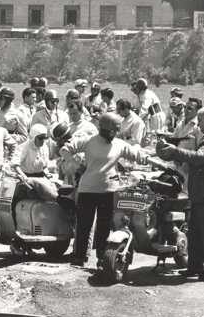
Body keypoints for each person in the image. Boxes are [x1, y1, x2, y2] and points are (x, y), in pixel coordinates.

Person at [58, 114, 148, 267]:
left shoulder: (119, 144)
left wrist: (148, 157)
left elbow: (136, 155)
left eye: (117, 131)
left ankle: (102, 258)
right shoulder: (89, 140)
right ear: (104, 130)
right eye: (113, 131)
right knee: (84, 226)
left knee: (104, 227)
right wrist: (72, 162)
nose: (115, 134)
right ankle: (79, 257)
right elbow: (65, 148)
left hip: (108, 191)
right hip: (87, 190)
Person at [156, 106, 204, 282]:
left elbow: (198, 157)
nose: (198, 122)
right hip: (203, 193)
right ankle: (195, 268)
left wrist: (175, 151)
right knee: (195, 233)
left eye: (201, 119)